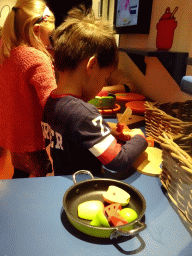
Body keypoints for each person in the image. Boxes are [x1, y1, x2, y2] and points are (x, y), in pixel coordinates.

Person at [41, 6, 148, 179]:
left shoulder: (51, 101)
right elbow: (117, 160)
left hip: (61, 181)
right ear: (92, 65)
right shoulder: (83, 113)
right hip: (85, 187)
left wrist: (108, 131)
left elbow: (75, 135)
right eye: (105, 78)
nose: (102, 85)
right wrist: (139, 139)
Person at [0, 0, 57, 178]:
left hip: (13, 139)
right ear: (37, 31)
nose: (50, 43)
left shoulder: (6, 53)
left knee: (20, 174)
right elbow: (53, 104)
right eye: (50, 37)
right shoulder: (36, 58)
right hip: (32, 141)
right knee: (37, 174)